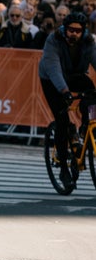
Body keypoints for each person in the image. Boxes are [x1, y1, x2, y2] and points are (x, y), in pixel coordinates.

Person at [38, 12, 95, 191]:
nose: (74, 34)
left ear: (83, 31)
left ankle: (85, 128)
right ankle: (63, 169)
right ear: (65, 28)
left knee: (92, 98)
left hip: (76, 75)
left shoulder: (88, 41)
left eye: (78, 31)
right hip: (51, 79)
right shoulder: (53, 40)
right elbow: (53, 68)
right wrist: (64, 91)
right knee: (62, 121)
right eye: (71, 30)